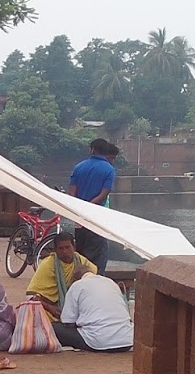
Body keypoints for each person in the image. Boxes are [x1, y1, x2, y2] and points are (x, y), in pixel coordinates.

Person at [67, 139, 119, 272]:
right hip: (97, 217)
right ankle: (96, 279)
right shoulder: (109, 169)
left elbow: (72, 192)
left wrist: (80, 208)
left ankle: (80, 279)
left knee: (81, 251)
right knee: (99, 254)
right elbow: (104, 194)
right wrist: (89, 206)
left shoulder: (79, 167)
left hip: (79, 218)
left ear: (92, 150)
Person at [54, 273, 133, 352]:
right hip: (127, 341)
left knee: (53, 328)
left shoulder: (77, 285)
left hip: (98, 342)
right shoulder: (111, 283)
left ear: (75, 279)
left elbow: (68, 323)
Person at [26, 233, 97, 320]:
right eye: (61, 248)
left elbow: (94, 286)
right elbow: (31, 296)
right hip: (51, 312)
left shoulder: (82, 262)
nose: (65, 252)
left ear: (74, 247)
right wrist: (50, 308)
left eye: (68, 247)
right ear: (55, 250)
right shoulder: (48, 264)